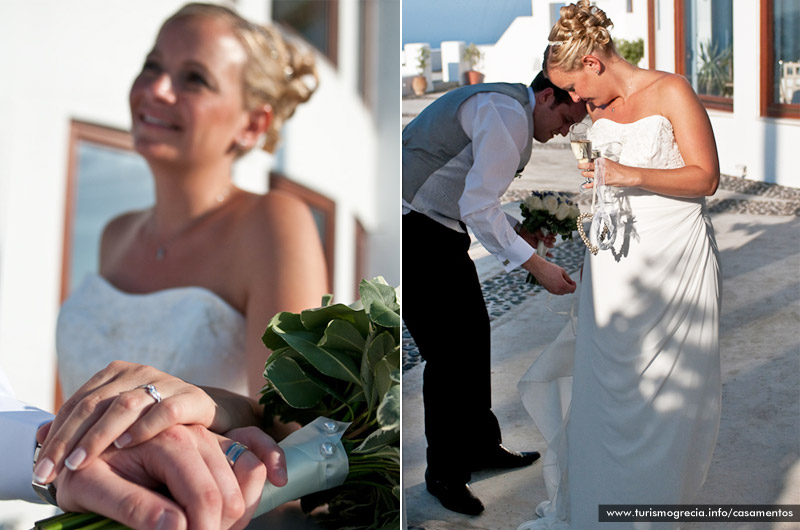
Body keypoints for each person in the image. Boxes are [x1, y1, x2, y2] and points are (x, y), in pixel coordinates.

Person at [44, 2, 327, 485]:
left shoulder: (273, 223)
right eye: (152, 67)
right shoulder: (115, 233)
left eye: (194, 79)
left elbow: (297, 435)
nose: (156, 89)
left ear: (252, 125)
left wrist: (210, 406)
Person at [517, 2, 721, 529]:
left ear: (593, 62)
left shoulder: (671, 91)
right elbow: (596, 188)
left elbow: (705, 179)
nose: (575, 101)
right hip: (611, 265)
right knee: (604, 392)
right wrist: (568, 227)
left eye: (576, 88)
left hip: (674, 260)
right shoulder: (595, 110)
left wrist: (630, 174)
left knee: (663, 399)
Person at [402, 72, 588, 515]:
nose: (567, 130)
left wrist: (518, 234)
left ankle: (481, 446)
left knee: (474, 337)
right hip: (412, 228)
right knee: (448, 357)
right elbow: (478, 206)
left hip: (438, 226)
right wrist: (537, 264)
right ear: (546, 95)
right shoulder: (505, 112)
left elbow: (471, 192)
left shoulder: (511, 110)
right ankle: (444, 476)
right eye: (566, 117)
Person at [0, 365, 287, 530]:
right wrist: (53, 456)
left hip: (208, 478)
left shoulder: (275, 258)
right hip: (82, 493)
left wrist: (215, 408)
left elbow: (288, 419)